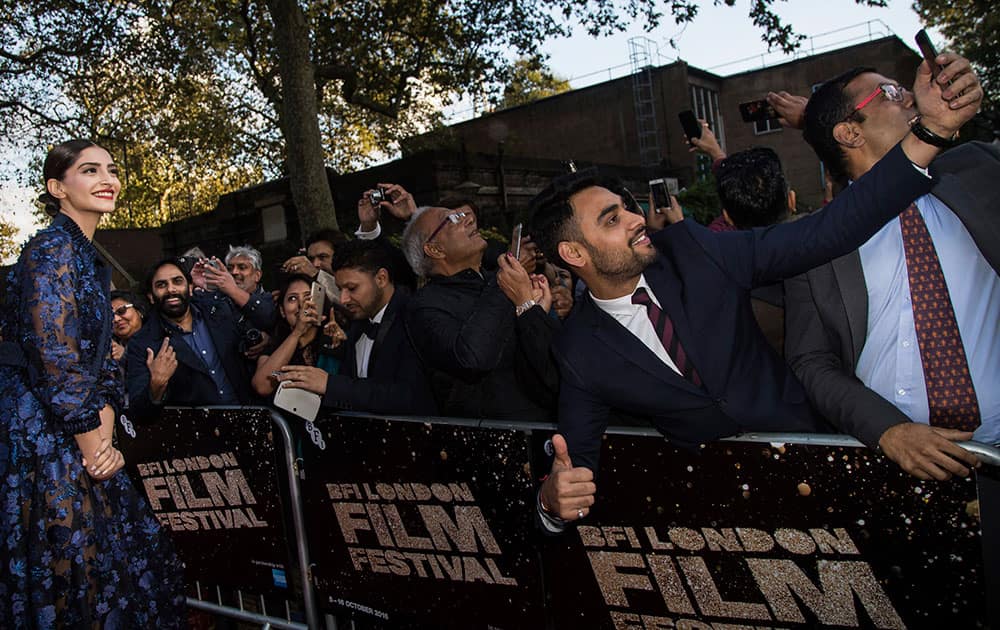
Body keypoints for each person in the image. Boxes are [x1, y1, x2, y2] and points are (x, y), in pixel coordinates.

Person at [529, 52, 981, 527]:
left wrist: (929, 133)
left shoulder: (695, 252)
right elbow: (574, 463)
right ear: (574, 255)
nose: (638, 219)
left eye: (627, 206)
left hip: (816, 455)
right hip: (720, 499)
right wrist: (551, 503)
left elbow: (828, 231)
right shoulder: (578, 349)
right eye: (612, 219)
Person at [0, 139, 184, 626]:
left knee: (109, 566)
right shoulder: (50, 251)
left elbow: (96, 359)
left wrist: (105, 433)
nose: (107, 178)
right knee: (73, 570)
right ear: (57, 188)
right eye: (89, 170)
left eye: (111, 169)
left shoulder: (84, 253)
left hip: (78, 431)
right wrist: (94, 446)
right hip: (45, 435)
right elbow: (55, 358)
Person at [785, 61, 996, 480]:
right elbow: (810, 361)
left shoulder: (981, 170)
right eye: (891, 94)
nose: (912, 99)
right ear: (850, 133)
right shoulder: (812, 242)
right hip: (896, 468)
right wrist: (888, 430)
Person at [401, 205, 560, 421]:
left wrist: (533, 311)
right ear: (434, 249)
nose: (468, 219)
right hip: (495, 437)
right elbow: (472, 359)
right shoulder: (423, 306)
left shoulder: (492, 282)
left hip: (548, 426)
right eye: (452, 219)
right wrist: (504, 280)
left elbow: (553, 366)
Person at [276, 239, 438, 414]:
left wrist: (331, 384)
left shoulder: (416, 318)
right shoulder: (358, 324)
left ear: (381, 278)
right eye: (340, 289)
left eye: (352, 288)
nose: (344, 299)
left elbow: (411, 397)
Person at [126, 257, 255, 415]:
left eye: (178, 281)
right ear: (151, 297)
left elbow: (266, 318)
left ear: (190, 287)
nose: (171, 289)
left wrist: (264, 339)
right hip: (198, 433)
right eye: (161, 285)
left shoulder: (220, 313)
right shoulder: (142, 343)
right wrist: (156, 385)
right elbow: (139, 413)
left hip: (249, 418)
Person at [252, 274, 343, 396]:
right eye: (292, 299)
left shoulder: (335, 338)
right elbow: (262, 386)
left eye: (307, 297)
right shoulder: (275, 347)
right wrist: (297, 332)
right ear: (283, 311)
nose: (301, 305)